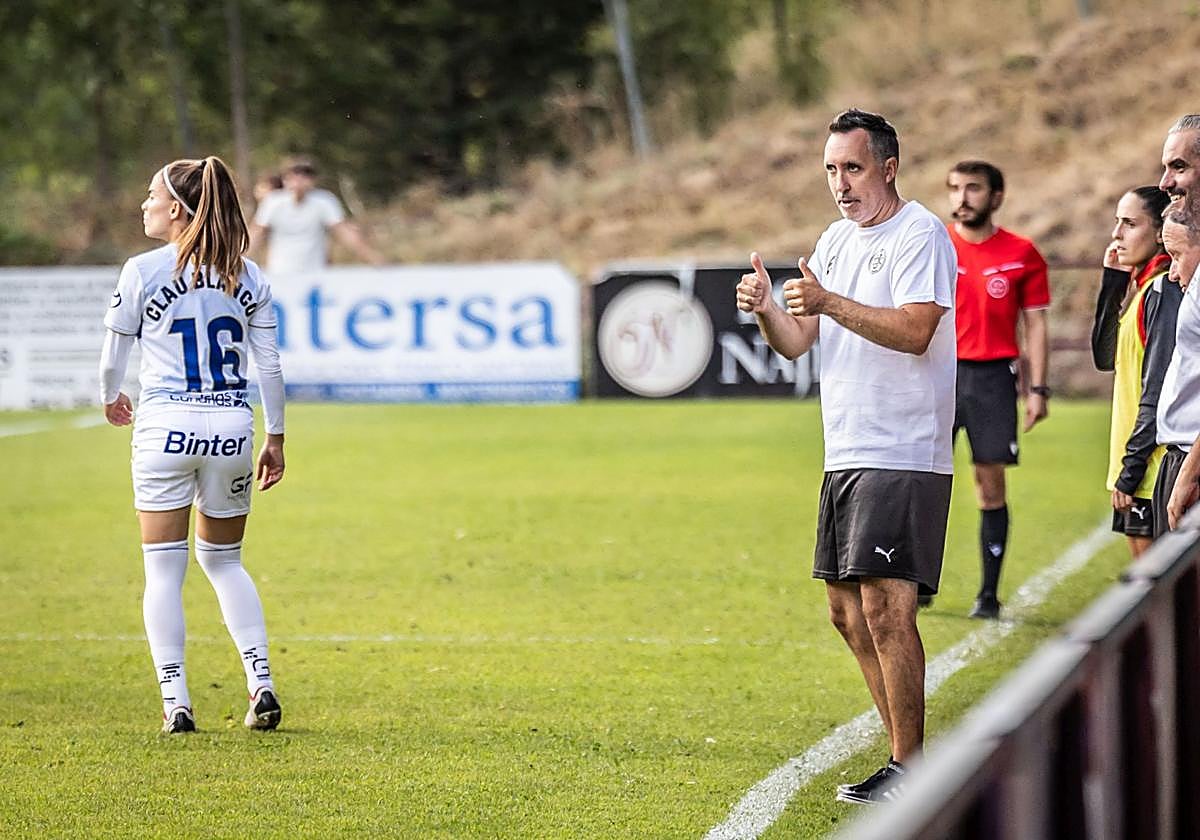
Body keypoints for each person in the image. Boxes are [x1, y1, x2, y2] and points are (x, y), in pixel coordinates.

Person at [736, 109, 956, 805]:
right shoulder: (833, 239)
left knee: (889, 611)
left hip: (902, 447)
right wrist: (769, 309)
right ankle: (909, 761)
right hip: (847, 450)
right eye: (831, 169)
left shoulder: (920, 233)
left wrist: (831, 301)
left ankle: (908, 767)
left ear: (888, 167)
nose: (840, 183)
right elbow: (798, 341)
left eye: (853, 168)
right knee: (845, 613)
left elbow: (918, 329)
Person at [99, 156, 287, 734]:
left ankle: (176, 701)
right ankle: (261, 684)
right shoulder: (248, 275)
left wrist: (111, 398)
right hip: (231, 427)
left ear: (177, 210)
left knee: (163, 570)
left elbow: (113, 359)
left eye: (151, 195)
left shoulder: (143, 270)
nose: (144, 204)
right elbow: (269, 366)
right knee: (225, 562)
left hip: (165, 429)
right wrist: (275, 436)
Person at [943, 160, 1050, 619]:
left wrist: (1038, 388)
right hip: (938, 375)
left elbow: (1036, 323)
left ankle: (988, 594)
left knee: (990, 486)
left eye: (972, 188)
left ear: (996, 197)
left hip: (991, 379)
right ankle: (919, 582)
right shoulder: (935, 245)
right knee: (922, 481)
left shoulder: (1022, 252)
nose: (961, 198)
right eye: (954, 189)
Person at [1091, 186, 1178, 556]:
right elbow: (1104, 357)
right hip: (1141, 472)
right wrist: (1113, 285)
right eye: (1117, 223)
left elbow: (1157, 389)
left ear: (1160, 232)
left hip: (1151, 474)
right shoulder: (1143, 290)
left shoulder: (1164, 291)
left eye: (1129, 224)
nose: (1117, 235)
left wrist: (1132, 469)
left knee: (1160, 599)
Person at [249, 155, 383, 276]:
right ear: (285, 178)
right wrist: (236, 262)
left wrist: (373, 258)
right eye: (295, 173)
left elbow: (344, 233)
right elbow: (256, 234)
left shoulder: (324, 202)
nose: (299, 179)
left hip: (315, 274)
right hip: (280, 273)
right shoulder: (273, 202)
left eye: (306, 174)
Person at [1155, 214, 1200, 532]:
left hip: (1190, 455)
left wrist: (1190, 472)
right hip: (1179, 455)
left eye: (1176, 256)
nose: (1172, 272)